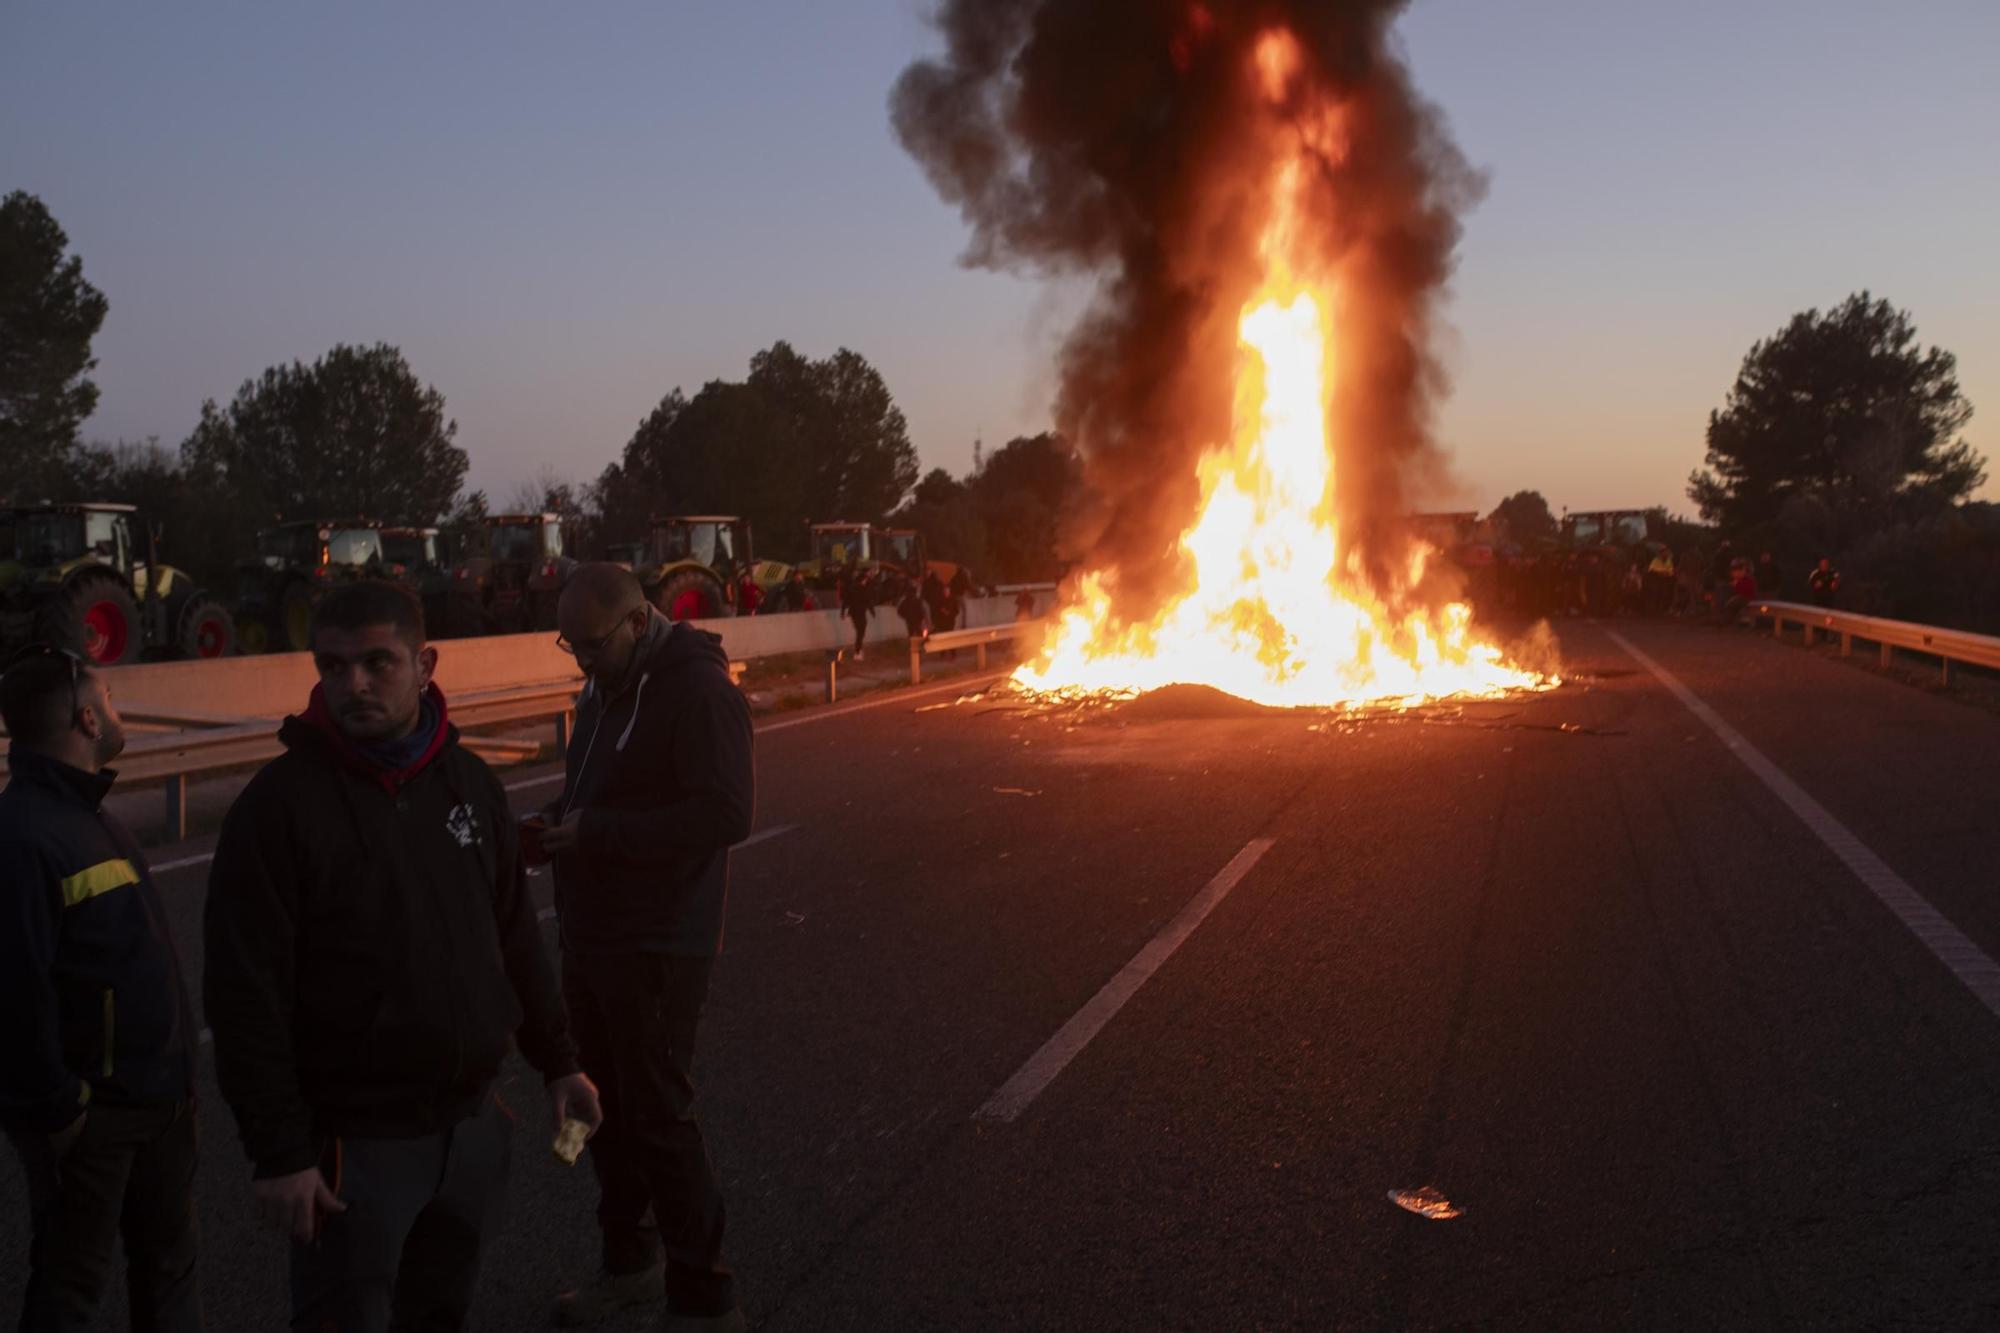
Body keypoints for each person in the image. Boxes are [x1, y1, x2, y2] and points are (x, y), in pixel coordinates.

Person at [204, 580, 598, 1333]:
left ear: (425, 663)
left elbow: (514, 934)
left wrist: (560, 1060)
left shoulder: (470, 783)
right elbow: (243, 994)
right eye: (333, 666)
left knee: (439, 1311)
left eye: (377, 663)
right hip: (357, 1149)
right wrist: (281, 1150)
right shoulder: (277, 809)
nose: (353, 684)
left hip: (472, 1129)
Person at [544, 565, 752, 1332]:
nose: (581, 660)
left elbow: (727, 811)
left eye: (592, 643)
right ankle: (630, 1269)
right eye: (571, 644)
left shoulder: (698, 691)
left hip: (661, 943)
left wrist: (599, 833)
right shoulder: (605, 686)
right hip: (593, 934)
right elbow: (603, 792)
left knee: (659, 1117)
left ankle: (705, 1299)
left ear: (638, 623)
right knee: (605, 1111)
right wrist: (557, 825)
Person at [2, 644, 202, 1332]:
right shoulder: (26, 834)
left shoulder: (87, 814)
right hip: (96, 1120)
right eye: (110, 697)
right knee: (70, 1286)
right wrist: (61, 1111)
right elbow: (15, 996)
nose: (116, 708)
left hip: (157, 1103)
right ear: (86, 719)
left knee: (169, 1271)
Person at [841, 566, 874, 660]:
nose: (866, 581)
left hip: (854, 613)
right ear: (862, 580)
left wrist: (843, 612)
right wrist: (872, 611)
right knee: (861, 632)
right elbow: (868, 600)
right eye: (865, 580)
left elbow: (846, 601)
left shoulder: (853, 588)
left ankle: (858, 650)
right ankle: (857, 651)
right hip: (859, 613)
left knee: (860, 631)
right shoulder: (862, 589)